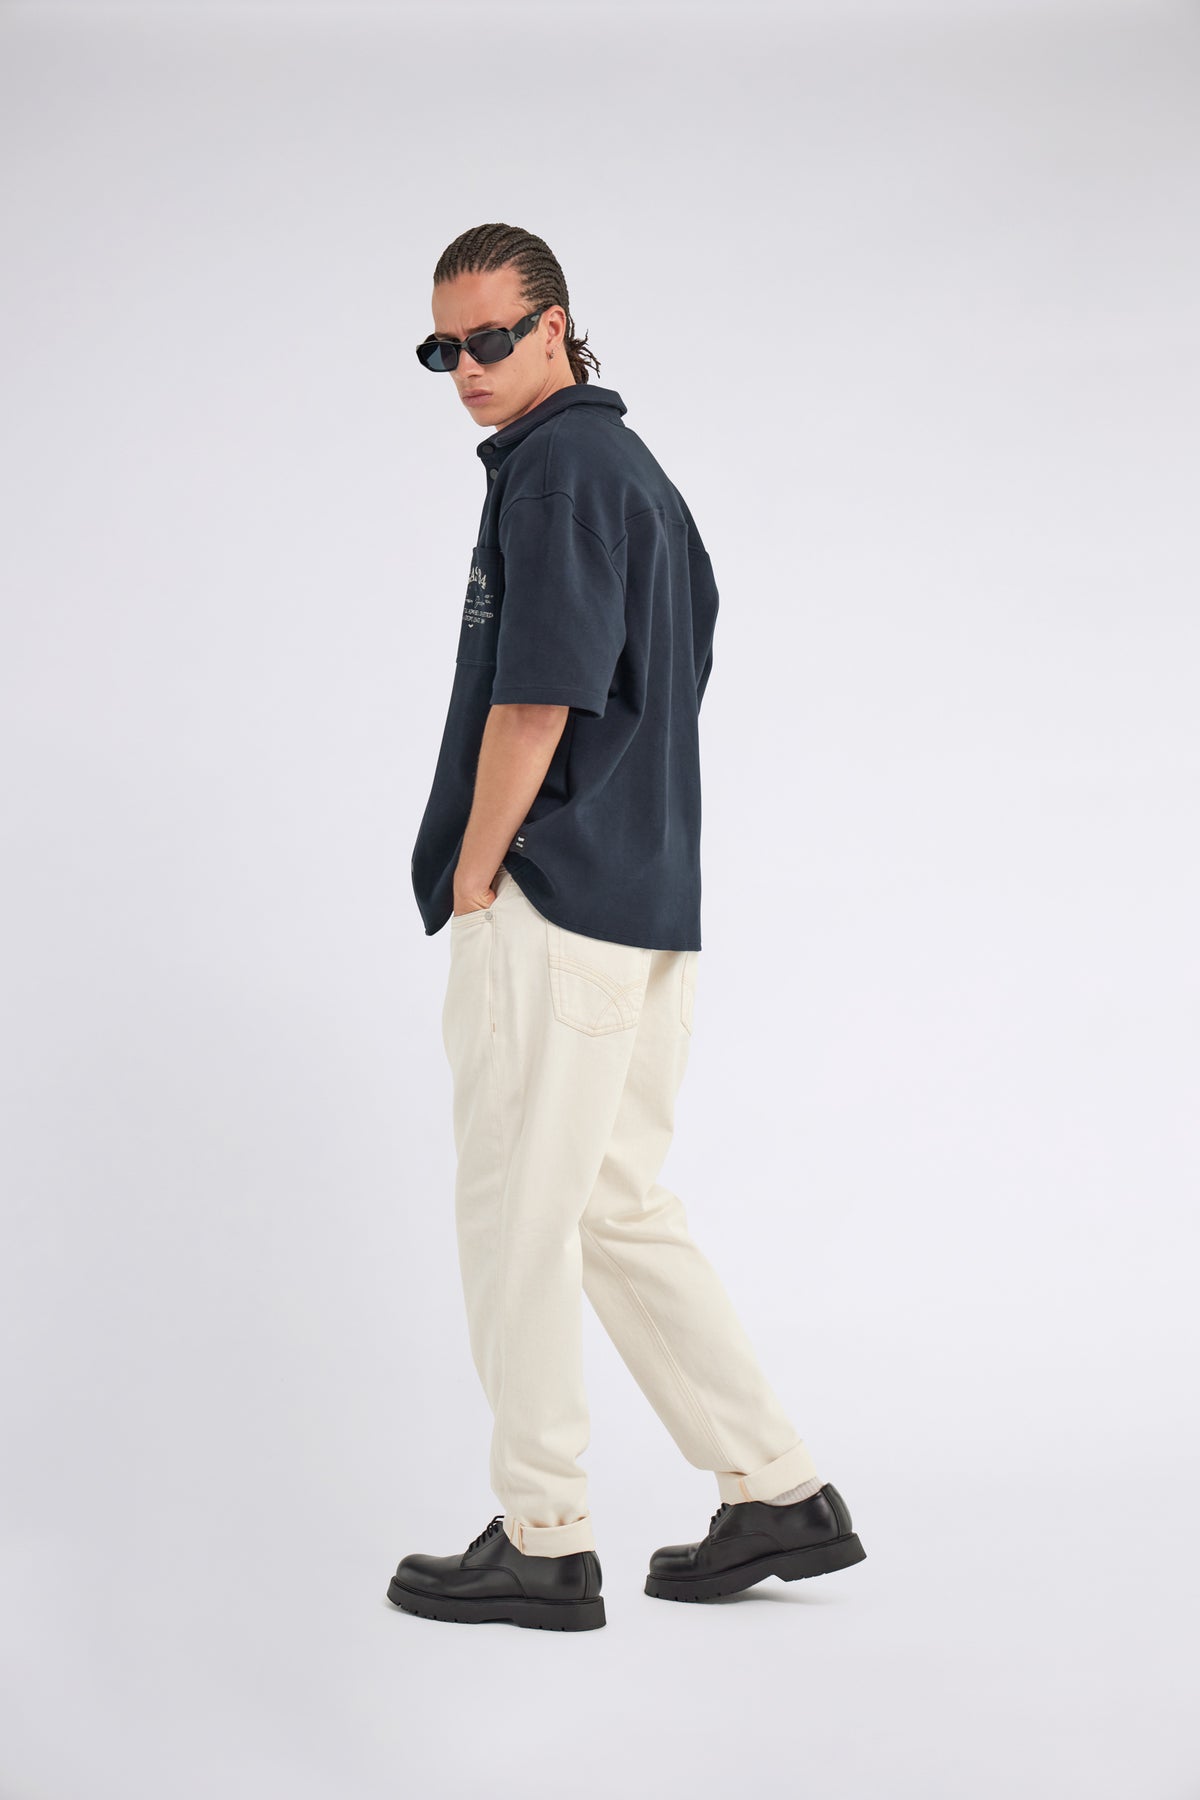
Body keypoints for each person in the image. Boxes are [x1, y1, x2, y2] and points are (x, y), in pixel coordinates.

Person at [386, 222, 865, 1631]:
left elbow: (539, 697)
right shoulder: (637, 475)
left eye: (490, 338)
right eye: (442, 347)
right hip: (647, 905)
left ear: (555, 325)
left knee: (517, 1219)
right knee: (612, 1208)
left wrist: (482, 870)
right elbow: (683, 659)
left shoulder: (559, 472)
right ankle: (775, 1487)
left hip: (555, 906)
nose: (467, 368)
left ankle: (544, 1535)